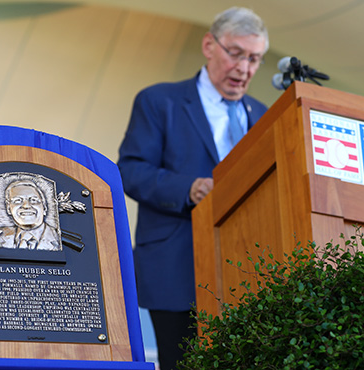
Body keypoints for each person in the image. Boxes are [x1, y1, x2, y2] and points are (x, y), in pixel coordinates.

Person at [117, 7, 269, 369]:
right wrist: (189, 189)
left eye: (255, 59)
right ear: (209, 45)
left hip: (247, 270)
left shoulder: (264, 115)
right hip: (175, 267)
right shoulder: (159, 101)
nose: (244, 69)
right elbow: (130, 171)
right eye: (236, 53)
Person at [0, 179, 62, 251]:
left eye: (33, 200)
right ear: (8, 208)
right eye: (18, 200)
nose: (26, 206)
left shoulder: (59, 238)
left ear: (44, 207)